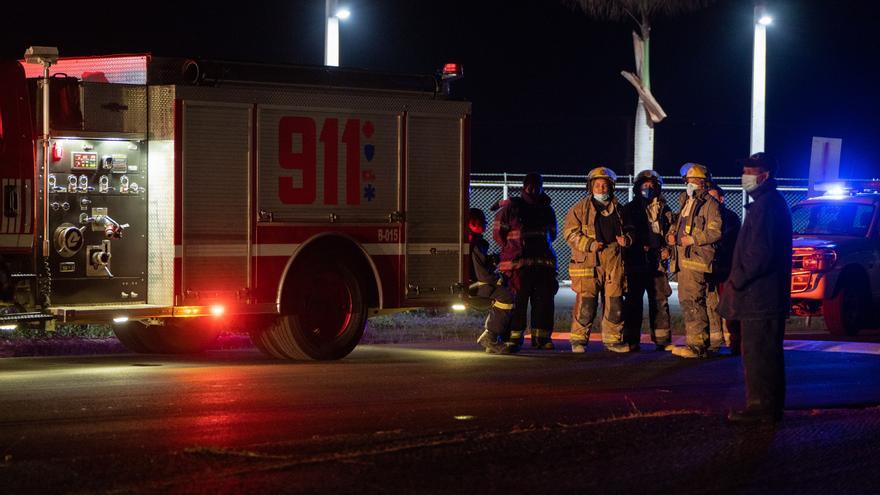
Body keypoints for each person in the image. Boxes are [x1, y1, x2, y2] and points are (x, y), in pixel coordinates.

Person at [720, 153, 792, 424]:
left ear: (765, 176)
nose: (745, 176)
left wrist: (736, 280)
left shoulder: (766, 206)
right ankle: (768, 406)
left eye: (751, 171)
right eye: (745, 170)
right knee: (763, 352)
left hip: (760, 297)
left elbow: (759, 254)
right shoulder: (766, 204)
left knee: (759, 353)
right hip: (763, 296)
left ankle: (762, 407)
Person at [563, 167, 632, 353]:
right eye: (598, 185)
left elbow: (631, 231)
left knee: (615, 303)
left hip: (614, 259)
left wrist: (627, 240)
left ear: (611, 187)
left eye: (605, 185)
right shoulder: (579, 209)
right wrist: (589, 244)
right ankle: (578, 341)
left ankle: (613, 341)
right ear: (590, 187)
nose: (601, 189)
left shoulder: (621, 210)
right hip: (589, 261)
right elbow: (569, 233)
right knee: (587, 303)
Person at [492, 173, 558, 352]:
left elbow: (552, 234)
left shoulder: (547, 209)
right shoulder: (512, 208)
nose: (533, 189)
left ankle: (542, 339)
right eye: (529, 186)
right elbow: (498, 234)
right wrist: (513, 248)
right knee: (518, 302)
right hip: (518, 266)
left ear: (541, 187)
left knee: (544, 302)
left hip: (542, 265)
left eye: (536, 186)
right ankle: (514, 338)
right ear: (523, 186)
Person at [666, 163, 723, 358]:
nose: (691, 184)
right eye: (689, 181)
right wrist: (671, 236)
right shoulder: (686, 201)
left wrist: (694, 239)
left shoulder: (710, 205)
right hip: (682, 260)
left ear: (704, 182)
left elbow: (715, 231)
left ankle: (697, 346)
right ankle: (697, 344)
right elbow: (678, 225)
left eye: (695, 181)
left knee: (693, 301)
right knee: (688, 301)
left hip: (696, 261)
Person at [621, 170, 675, 352]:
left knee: (660, 301)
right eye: (645, 185)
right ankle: (631, 339)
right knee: (633, 302)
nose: (648, 188)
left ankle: (662, 340)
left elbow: (671, 234)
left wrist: (668, 248)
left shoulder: (664, 210)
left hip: (656, 263)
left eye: (652, 185)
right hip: (635, 262)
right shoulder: (628, 209)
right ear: (637, 187)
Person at [468, 208, 514, 354]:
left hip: (475, 284)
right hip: (476, 286)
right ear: (472, 223)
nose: (485, 224)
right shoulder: (474, 244)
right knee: (506, 296)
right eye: (481, 221)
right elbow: (483, 276)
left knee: (505, 293)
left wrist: (491, 261)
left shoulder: (474, 241)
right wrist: (498, 280)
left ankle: (493, 339)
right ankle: (490, 336)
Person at [706, 182, 742, 355]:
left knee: (730, 308)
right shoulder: (703, 215)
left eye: (714, 198)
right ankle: (712, 341)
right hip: (708, 269)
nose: (711, 201)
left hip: (727, 269)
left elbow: (727, 242)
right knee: (709, 306)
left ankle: (735, 343)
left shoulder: (731, 218)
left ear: (722, 199)